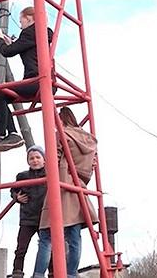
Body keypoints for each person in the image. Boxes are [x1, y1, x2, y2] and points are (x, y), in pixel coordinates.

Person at [32, 107, 99, 278]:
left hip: (60, 187)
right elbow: (92, 165)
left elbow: (53, 161)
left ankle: (38, 275)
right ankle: (71, 274)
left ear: (60, 120)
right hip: (78, 189)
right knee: (74, 235)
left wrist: (49, 171)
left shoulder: (61, 134)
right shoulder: (89, 140)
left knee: (46, 236)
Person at [0, 6, 53, 152]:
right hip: (46, 82)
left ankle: (5, 134)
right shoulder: (42, 33)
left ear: (29, 19)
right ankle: (11, 134)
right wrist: (14, 43)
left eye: (21, 21)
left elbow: (6, 52)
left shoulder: (29, 32)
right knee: (3, 96)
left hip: (35, 82)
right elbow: (25, 49)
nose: (20, 24)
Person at [10, 145, 49, 278]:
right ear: (28, 161)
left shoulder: (50, 174)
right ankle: (17, 272)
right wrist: (17, 197)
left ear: (44, 160)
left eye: (38, 157)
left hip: (44, 218)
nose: (35, 160)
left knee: (49, 248)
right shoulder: (22, 176)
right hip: (27, 217)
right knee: (21, 248)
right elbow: (13, 191)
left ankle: (53, 273)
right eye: (31, 158)